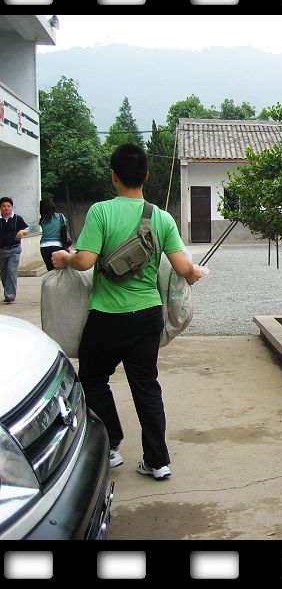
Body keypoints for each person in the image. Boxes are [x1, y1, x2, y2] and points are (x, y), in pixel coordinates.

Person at [52, 143, 203, 480]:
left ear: (114, 176)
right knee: (146, 385)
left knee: (93, 379)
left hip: (107, 316)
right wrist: (194, 273)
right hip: (147, 315)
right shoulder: (161, 217)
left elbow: (85, 261)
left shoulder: (100, 212)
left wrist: (65, 258)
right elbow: (183, 268)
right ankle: (157, 461)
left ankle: (111, 444)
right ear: (146, 175)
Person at [0, 196, 29, 303]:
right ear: (0, 208)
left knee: (11, 270)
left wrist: (22, 232)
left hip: (14, 250)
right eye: (4, 206)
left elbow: (27, 230)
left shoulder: (17, 218)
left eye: (9, 206)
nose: (6, 208)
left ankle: (10, 295)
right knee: (4, 273)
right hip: (1, 251)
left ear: (12, 207)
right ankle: (8, 291)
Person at [38, 198, 68, 271]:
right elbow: (64, 232)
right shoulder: (60, 216)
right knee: (59, 271)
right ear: (52, 206)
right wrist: (66, 246)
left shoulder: (42, 220)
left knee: (50, 270)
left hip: (44, 247)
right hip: (57, 246)